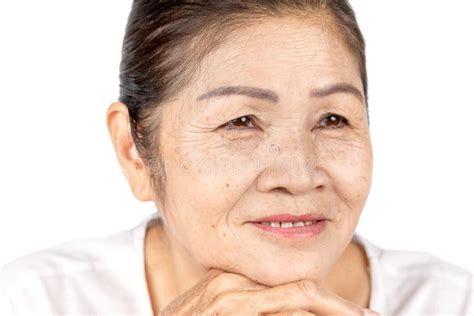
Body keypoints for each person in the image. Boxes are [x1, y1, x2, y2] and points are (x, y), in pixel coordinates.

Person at [1, 0, 472, 315]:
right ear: (134, 151)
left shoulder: (452, 302)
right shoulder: (31, 301)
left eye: (332, 119)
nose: (299, 176)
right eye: (240, 122)